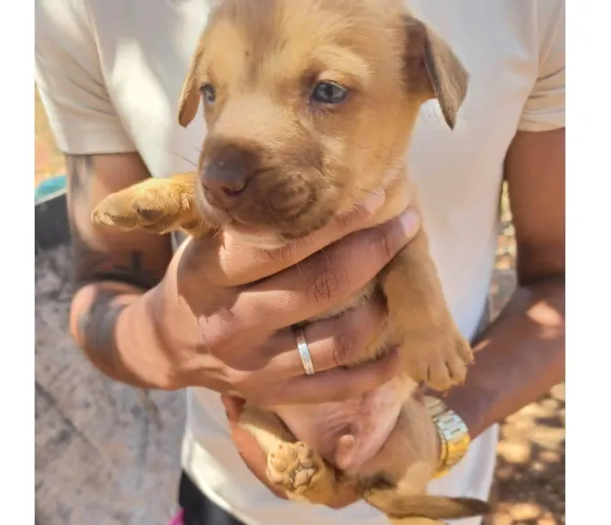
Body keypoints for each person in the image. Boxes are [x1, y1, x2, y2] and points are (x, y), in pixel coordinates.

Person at [35, 0, 565, 524]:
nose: (223, 171)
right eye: (211, 91)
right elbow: (108, 280)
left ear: (423, 75)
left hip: (418, 443)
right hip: (228, 486)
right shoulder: (82, 10)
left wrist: (442, 425)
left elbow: (566, 279)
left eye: (327, 92)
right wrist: (162, 346)